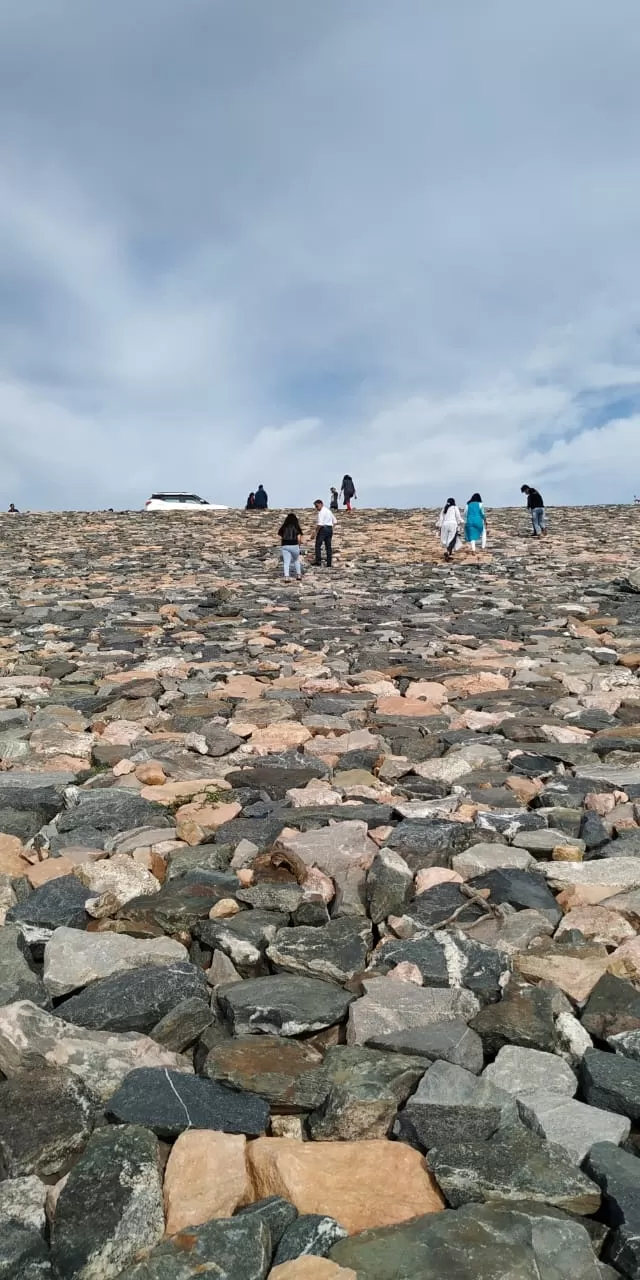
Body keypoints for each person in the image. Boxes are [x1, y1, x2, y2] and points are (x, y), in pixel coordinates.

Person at [278, 512, 303, 583]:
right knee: (296, 560)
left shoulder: (284, 527)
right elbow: (299, 538)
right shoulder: (296, 527)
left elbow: (280, 534)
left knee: (286, 562)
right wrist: (299, 546)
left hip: (285, 545)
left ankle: (286, 577)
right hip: (294, 545)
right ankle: (298, 575)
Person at [314, 498, 336, 566]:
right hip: (329, 529)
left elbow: (320, 524)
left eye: (317, 506)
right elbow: (335, 521)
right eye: (315, 507)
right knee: (328, 546)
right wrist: (331, 528)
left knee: (318, 545)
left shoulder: (321, 512)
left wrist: (315, 532)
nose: (316, 508)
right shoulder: (328, 511)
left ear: (321, 504)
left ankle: (318, 561)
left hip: (323, 529)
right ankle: (329, 563)